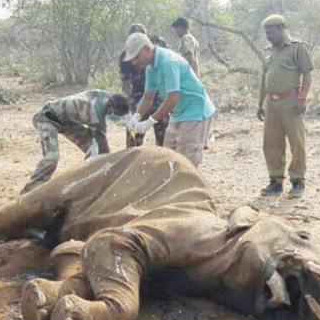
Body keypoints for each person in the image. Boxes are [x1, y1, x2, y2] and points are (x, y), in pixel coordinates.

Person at [123, 32, 215, 166]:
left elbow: (172, 98)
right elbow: (148, 97)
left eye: (136, 56)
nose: (135, 62)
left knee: (185, 162)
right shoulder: (150, 68)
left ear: (147, 49)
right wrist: (137, 116)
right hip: (179, 112)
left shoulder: (168, 62)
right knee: (168, 156)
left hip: (195, 110)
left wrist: (150, 122)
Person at [20, 90, 129, 193]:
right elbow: (104, 149)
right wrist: (111, 171)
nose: (113, 117)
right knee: (52, 157)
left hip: (68, 122)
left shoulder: (107, 96)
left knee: (92, 148)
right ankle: (30, 191)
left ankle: (87, 181)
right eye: (114, 113)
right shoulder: (96, 113)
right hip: (46, 118)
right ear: (110, 107)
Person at [257, 14, 313, 198]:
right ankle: (275, 181)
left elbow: (307, 74)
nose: (268, 36)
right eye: (266, 32)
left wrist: (302, 98)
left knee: (296, 142)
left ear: (281, 29)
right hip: (271, 103)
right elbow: (264, 80)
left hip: (290, 101)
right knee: (271, 143)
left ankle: (298, 181)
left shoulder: (297, 48)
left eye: (271, 32)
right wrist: (260, 104)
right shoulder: (268, 51)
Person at [119, 23, 168, 147]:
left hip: (158, 95)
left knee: (164, 141)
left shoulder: (156, 48)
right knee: (133, 140)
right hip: (139, 97)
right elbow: (125, 83)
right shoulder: (125, 55)